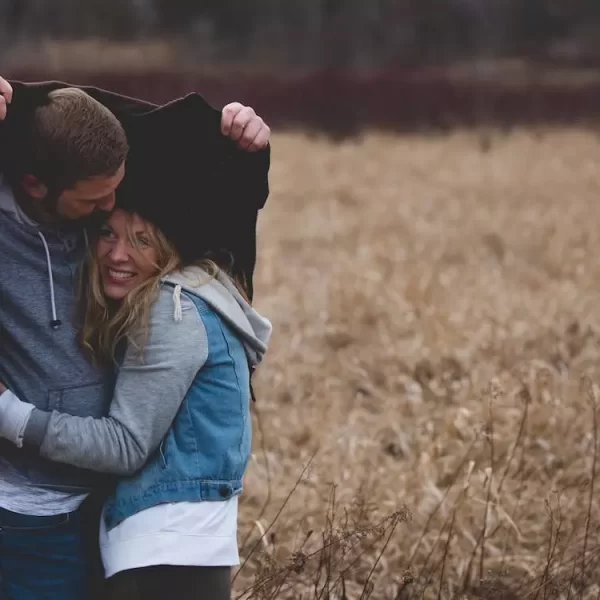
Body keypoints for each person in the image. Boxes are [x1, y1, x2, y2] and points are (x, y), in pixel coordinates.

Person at [0, 76, 271, 599]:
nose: (108, 214)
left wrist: (246, 147)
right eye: (99, 215)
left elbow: (199, 169)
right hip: (28, 507)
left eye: (140, 238)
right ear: (36, 185)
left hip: (112, 519)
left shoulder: (174, 307)